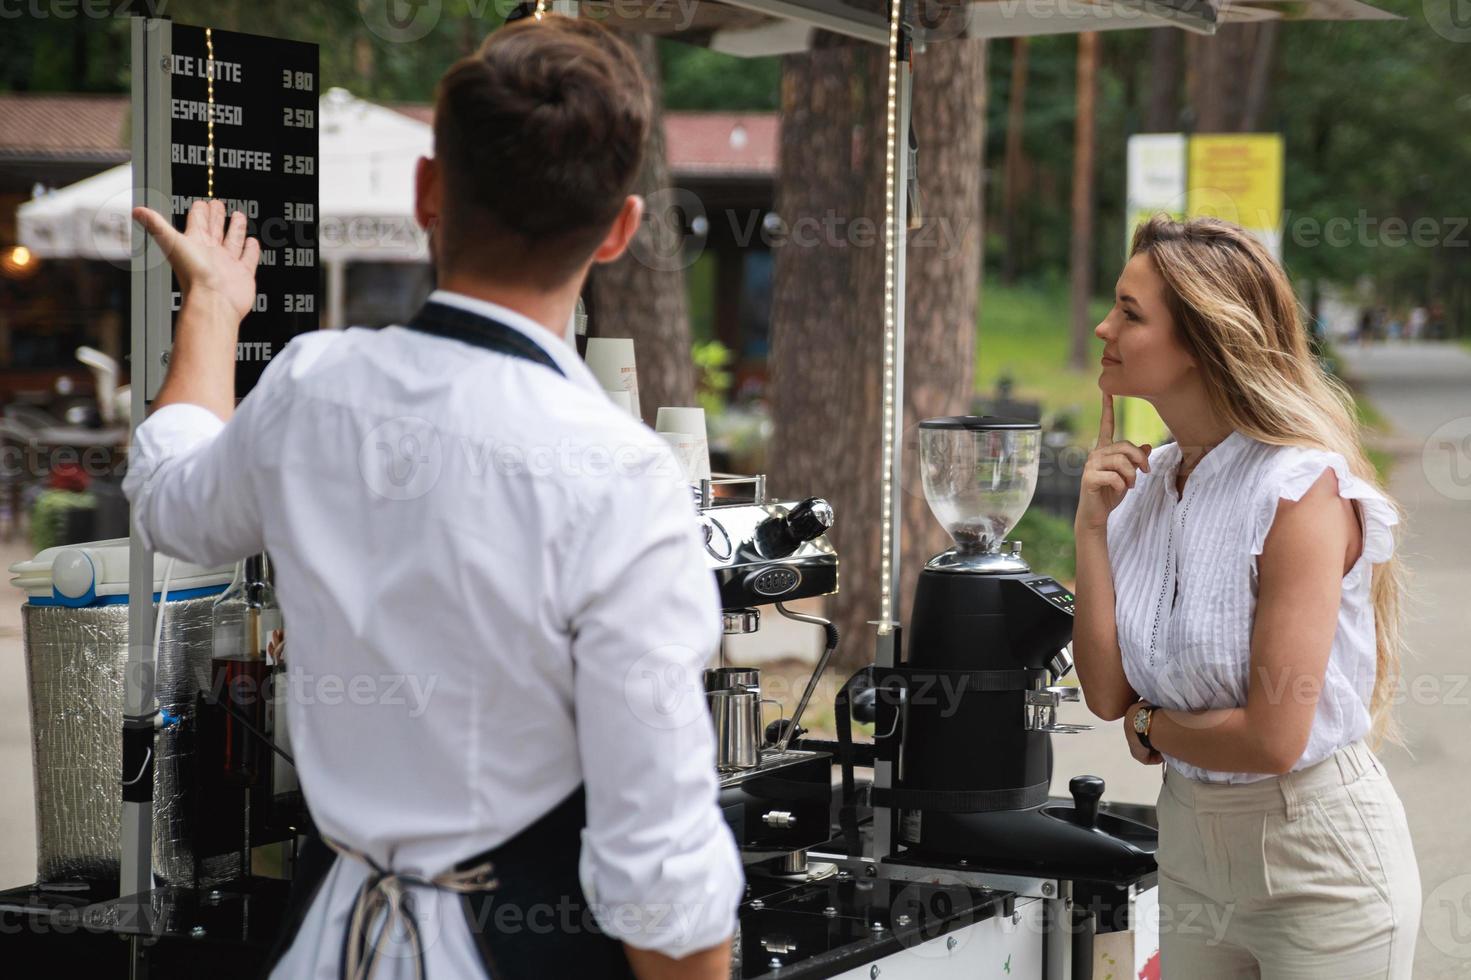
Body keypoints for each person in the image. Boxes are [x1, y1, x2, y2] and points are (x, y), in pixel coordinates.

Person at [125, 15, 741, 980]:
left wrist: (209, 304)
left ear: (426, 193)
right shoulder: (625, 482)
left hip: (329, 948)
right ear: (621, 230)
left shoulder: (310, 388)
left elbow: (168, 498)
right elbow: (662, 880)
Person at [1072, 215, 1421, 978]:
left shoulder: (1297, 490)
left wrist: (1151, 724)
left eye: (1130, 312)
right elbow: (1104, 693)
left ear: (1201, 343)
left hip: (1320, 869)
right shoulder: (1146, 485)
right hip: (1192, 852)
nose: (1104, 325)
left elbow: (1271, 736)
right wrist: (1089, 529)